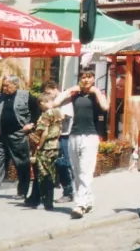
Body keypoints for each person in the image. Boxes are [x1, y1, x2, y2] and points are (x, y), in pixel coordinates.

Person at [51, 68, 109, 219]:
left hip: (90, 135)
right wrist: (70, 90)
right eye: (83, 77)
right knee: (76, 171)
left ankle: (80, 204)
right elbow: (55, 103)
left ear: (94, 79)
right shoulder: (75, 95)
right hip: (74, 135)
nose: (86, 80)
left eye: (89, 78)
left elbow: (105, 107)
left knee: (85, 170)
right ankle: (88, 201)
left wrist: (96, 92)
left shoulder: (97, 95)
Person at [0, 76, 41, 202]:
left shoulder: (26, 96)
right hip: (2, 136)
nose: (4, 88)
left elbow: (38, 109)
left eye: (7, 85)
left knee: (22, 164)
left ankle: (22, 191)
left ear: (15, 85)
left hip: (18, 134)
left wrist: (32, 123)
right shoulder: (0, 97)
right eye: (4, 85)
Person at [25, 92, 64, 210]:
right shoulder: (58, 112)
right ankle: (45, 200)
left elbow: (43, 133)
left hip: (45, 147)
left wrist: (37, 145)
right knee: (51, 174)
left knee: (43, 175)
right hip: (55, 145)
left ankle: (45, 201)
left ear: (42, 103)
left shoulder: (45, 115)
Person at [42, 80, 74, 202]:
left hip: (65, 136)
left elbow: (65, 117)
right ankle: (66, 189)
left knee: (65, 163)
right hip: (56, 136)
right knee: (59, 163)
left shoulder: (65, 101)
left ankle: (69, 192)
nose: (49, 95)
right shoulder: (56, 102)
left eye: (49, 92)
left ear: (55, 88)